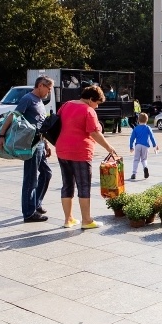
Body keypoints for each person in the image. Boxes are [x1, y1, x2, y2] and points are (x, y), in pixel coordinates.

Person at [56, 85, 118, 229]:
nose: (96, 107)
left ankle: (68, 219)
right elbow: (94, 133)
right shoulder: (88, 110)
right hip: (80, 152)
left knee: (67, 185)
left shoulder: (66, 105)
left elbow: (59, 122)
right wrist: (109, 147)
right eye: (96, 103)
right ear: (91, 99)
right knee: (84, 186)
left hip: (62, 150)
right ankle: (86, 220)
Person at [0, 76, 54, 223]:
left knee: (47, 173)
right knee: (31, 178)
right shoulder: (28, 99)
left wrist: (45, 143)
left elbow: (40, 123)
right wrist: (1, 136)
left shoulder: (39, 100)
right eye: (49, 88)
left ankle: (37, 203)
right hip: (30, 144)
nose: (49, 92)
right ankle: (29, 213)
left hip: (39, 142)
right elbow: (13, 116)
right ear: (40, 85)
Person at [129, 112, 158, 180]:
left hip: (138, 145)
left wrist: (131, 147)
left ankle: (134, 173)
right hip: (145, 146)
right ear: (147, 120)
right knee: (144, 159)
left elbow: (132, 138)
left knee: (136, 159)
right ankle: (145, 167)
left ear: (138, 120)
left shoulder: (136, 128)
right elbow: (152, 137)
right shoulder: (148, 128)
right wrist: (154, 145)